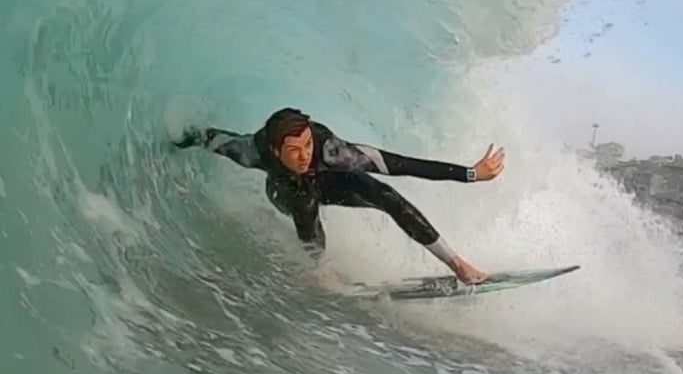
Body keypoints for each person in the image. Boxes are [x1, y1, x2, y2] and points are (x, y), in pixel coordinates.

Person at [172, 107, 505, 283]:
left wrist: (471, 173)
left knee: (385, 194)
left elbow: (399, 163)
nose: (304, 155)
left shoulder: (333, 152)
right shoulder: (253, 151)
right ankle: (321, 269)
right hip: (283, 191)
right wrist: (176, 137)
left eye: (307, 146)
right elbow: (212, 138)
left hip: (331, 181)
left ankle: (458, 265)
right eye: (294, 151)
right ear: (275, 150)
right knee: (304, 201)